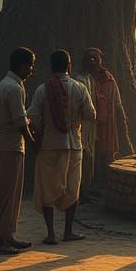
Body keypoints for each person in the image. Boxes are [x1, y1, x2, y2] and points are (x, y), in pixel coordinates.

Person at [30, 49, 96, 244]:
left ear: (51, 67)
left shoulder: (43, 89)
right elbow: (91, 114)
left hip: (49, 145)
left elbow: (32, 115)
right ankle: (68, 231)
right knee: (72, 189)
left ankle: (51, 233)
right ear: (69, 66)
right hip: (73, 144)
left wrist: (40, 131)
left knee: (47, 188)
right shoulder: (79, 88)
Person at [0, 48, 37, 254]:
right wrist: (33, 142)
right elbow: (20, 122)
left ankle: (6, 234)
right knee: (7, 194)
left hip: (5, 145)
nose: (31, 70)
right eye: (30, 66)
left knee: (8, 193)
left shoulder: (8, 84)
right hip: (9, 146)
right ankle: (0, 238)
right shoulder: (14, 88)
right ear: (21, 65)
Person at [81, 48, 129, 191]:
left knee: (105, 152)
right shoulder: (83, 79)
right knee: (89, 153)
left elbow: (117, 103)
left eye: (95, 58)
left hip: (107, 123)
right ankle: (90, 185)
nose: (92, 61)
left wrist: (122, 121)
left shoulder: (108, 79)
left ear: (100, 60)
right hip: (88, 123)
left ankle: (103, 183)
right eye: (89, 58)